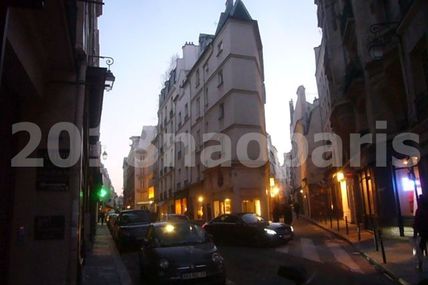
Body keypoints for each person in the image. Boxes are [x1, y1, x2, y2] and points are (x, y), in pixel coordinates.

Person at [414, 194, 428, 271]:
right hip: (425, 231)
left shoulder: (419, 211)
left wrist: (415, 234)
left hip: (423, 232)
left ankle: (420, 265)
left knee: (421, 248)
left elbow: (416, 223)